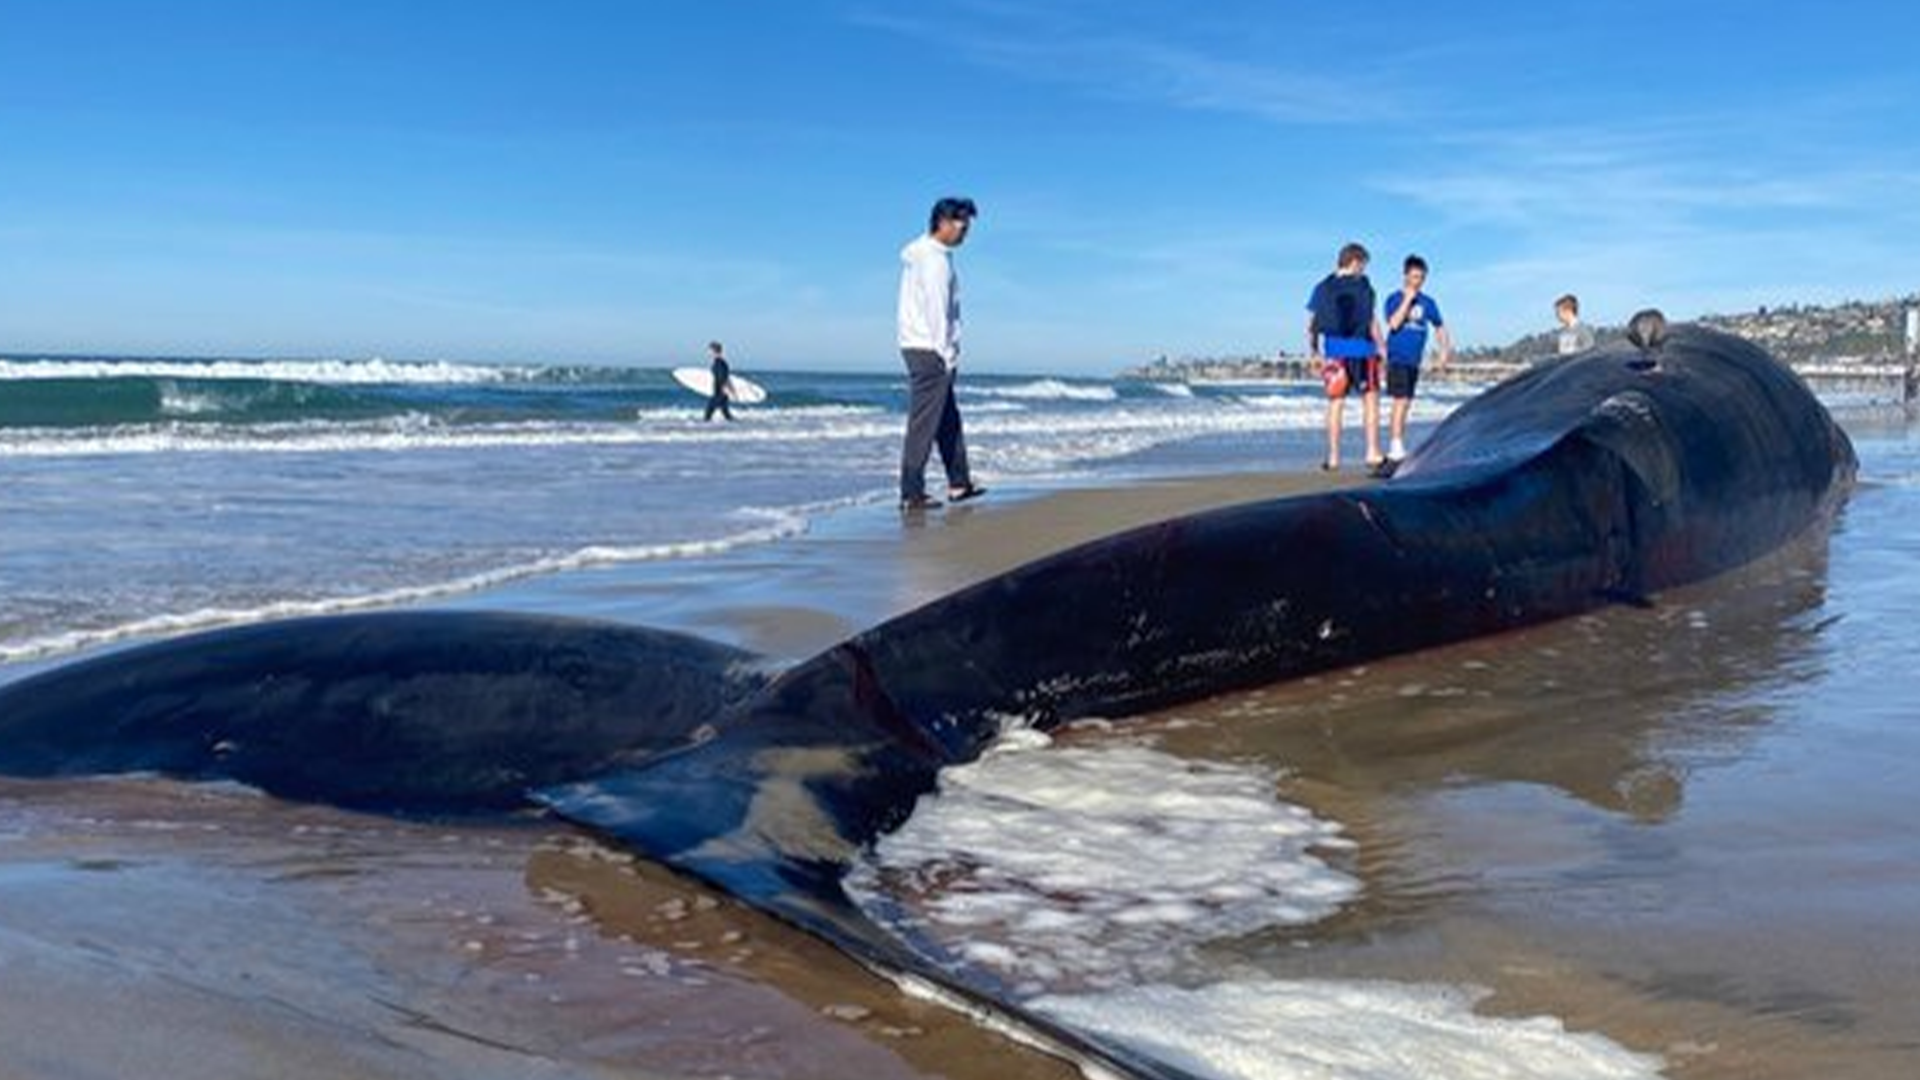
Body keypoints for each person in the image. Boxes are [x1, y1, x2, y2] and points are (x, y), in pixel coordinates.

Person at [896, 196, 986, 511]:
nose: (966, 233)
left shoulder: (923, 255)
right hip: (930, 350)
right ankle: (911, 492)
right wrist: (947, 356)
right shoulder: (934, 261)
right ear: (944, 223)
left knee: (947, 419)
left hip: (920, 346)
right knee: (924, 424)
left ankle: (959, 483)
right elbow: (937, 312)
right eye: (963, 226)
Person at [1306, 242, 1386, 471]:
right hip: (1363, 351)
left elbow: (1311, 323)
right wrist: (1382, 348)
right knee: (1370, 401)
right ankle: (1372, 452)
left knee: (1335, 404)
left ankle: (1333, 457)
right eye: (1363, 265)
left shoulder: (1322, 287)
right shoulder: (1364, 286)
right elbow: (1371, 320)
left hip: (1334, 353)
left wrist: (1314, 351)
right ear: (1355, 262)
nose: (1364, 271)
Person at [1380, 255, 1453, 471]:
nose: (1417, 281)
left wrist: (1443, 352)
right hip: (1398, 357)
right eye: (1413, 277)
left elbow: (1440, 327)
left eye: (1421, 278)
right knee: (1400, 401)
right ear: (1405, 276)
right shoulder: (1394, 298)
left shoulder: (1428, 303)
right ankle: (1395, 448)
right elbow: (1393, 324)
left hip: (1414, 360)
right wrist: (1407, 300)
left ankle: (1397, 444)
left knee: (1406, 401)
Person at [702, 340, 734, 422]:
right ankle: (739, 428)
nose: (709, 353)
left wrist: (724, 388)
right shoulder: (722, 363)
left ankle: (704, 431)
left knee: (707, 414)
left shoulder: (719, 363)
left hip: (719, 393)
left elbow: (722, 377)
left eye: (710, 351)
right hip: (721, 393)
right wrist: (730, 388)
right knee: (726, 414)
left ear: (714, 351)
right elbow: (726, 376)